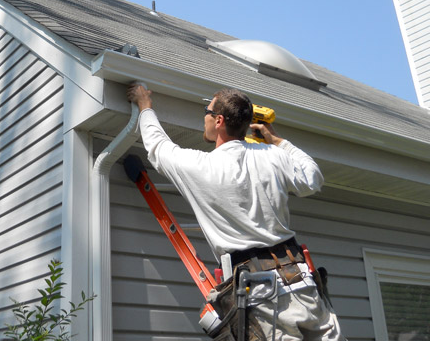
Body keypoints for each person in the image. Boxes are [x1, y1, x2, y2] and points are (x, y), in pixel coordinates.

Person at [127, 84, 345, 341]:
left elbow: (158, 147)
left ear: (219, 121)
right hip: (302, 282)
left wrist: (145, 106)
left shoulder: (203, 166)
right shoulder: (273, 155)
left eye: (206, 111)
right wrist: (278, 141)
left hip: (262, 296)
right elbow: (313, 178)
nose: (204, 116)